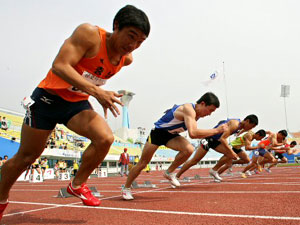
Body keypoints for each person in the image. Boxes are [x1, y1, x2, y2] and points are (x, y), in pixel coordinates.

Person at [0, 5, 150, 219]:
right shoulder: (89, 35)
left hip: (75, 104)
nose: (133, 45)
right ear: (116, 26)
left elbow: (90, 76)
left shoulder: (126, 59)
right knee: (27, 156)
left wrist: (93, 92)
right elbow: (60, 66)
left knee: (105, 138)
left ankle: (77, 184)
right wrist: (97, 92)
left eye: (140, 42)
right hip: (47, 99)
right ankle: (1, 199)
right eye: (131, 36)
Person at [121, 92, 227, 200]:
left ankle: (169, 172)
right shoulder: (189, 109)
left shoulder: (196, 115)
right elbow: (193, 133)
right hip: (158, 133)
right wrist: (216, 130)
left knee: (189, 149)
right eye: (210, 110)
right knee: (143, 163)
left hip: (171, 135)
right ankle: (126, 188)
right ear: (203, 103)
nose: (210, 114)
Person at [176, 114, 259, 182]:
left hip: (216, 141)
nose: (251, 129)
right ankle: (176, 176)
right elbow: (222, 139)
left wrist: (238, 134)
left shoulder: (241, 126)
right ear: (247, 121)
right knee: (195, 160)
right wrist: (231, 151)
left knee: (229, 154)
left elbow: (241, 130)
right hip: (208, 139)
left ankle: (214, 170)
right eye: (251, 126)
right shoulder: (235, 124)